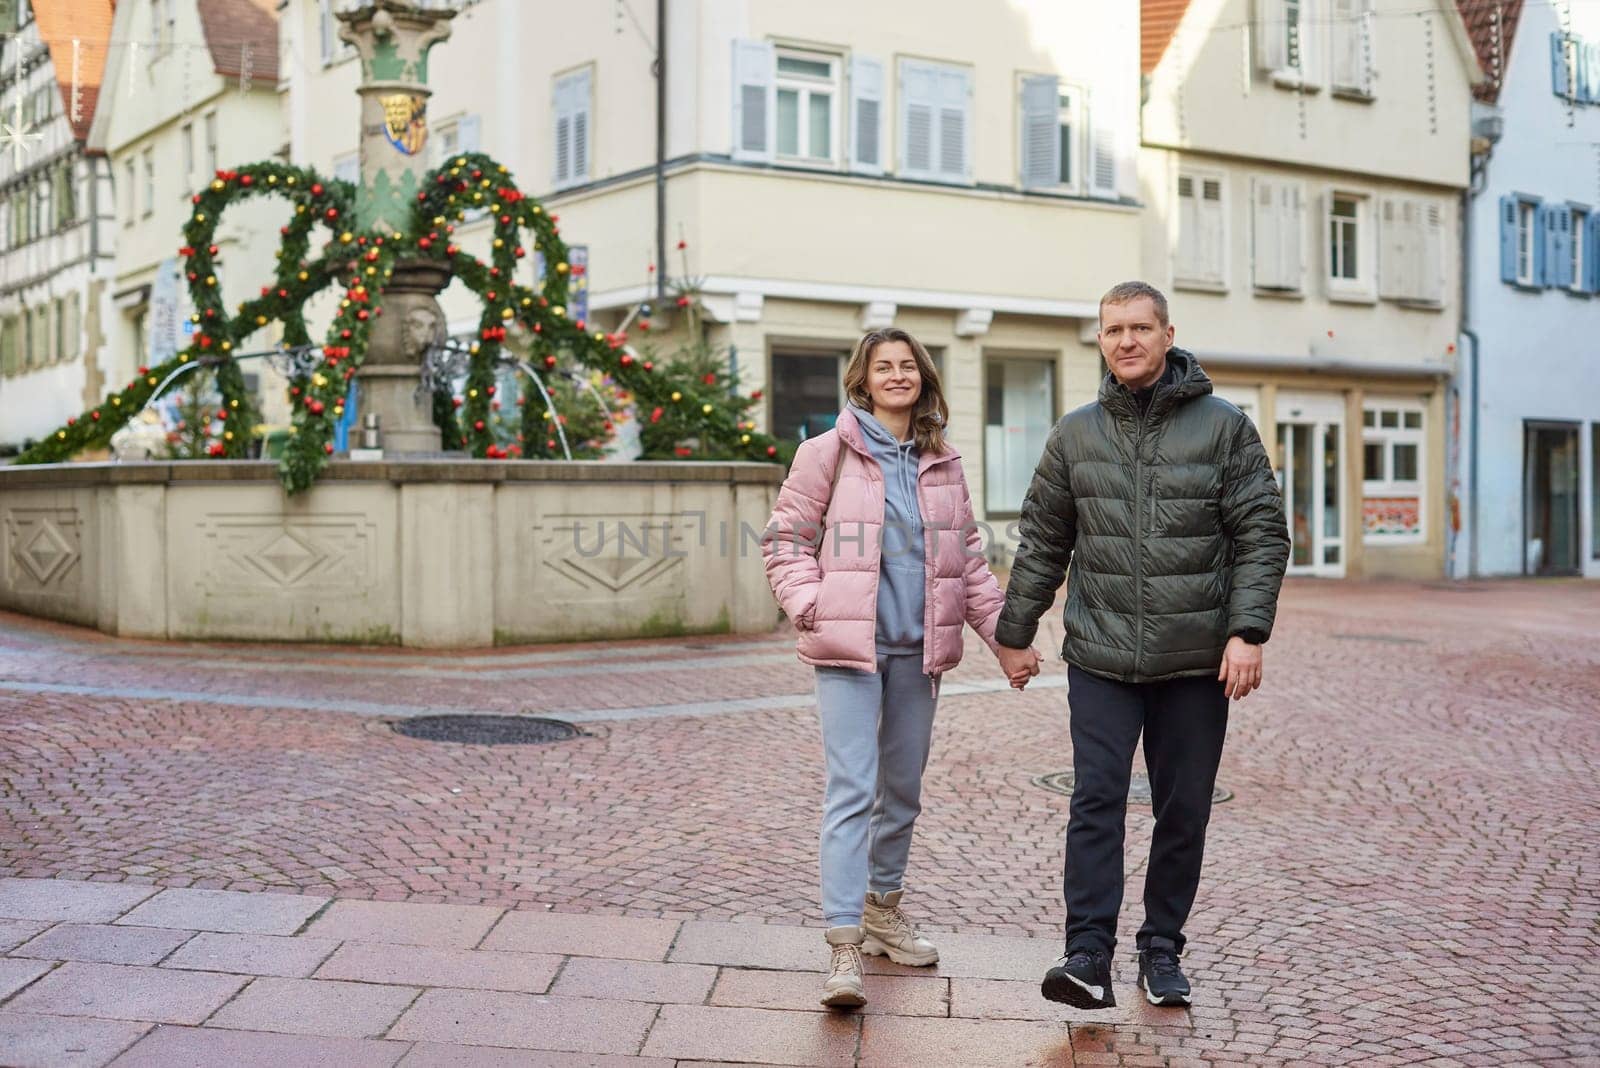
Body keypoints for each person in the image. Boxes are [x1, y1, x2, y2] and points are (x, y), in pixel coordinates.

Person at [994, 281, 1289, 1009]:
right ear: (1100, 341)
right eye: (1112, 330)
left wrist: (1247, 631)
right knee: (1096, 798)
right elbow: (1043, 543)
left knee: (1182, 807)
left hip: (1195, 661)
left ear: (1167, 335)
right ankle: (1087, 953)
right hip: (1101, 656)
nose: (1125, 341)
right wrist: (1014, 633)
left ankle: (1161, 948)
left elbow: (1262, 535)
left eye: (1139, 328)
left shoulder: (1224, 428)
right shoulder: (1076, 434)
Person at [763, 327, 1041, 1010]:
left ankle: (884, 910)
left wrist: (1007, 641)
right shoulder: (826, 452)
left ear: (922, 379)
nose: (896, 375)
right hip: (848, 653)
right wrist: (812, 604)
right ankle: (843, 948)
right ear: (863, 379)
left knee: (903, 791)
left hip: (919, 654)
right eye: (883, 366)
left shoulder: (942, 464)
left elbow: (968, 564)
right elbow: (785, 542)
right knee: (852, 790)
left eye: (907, 366)